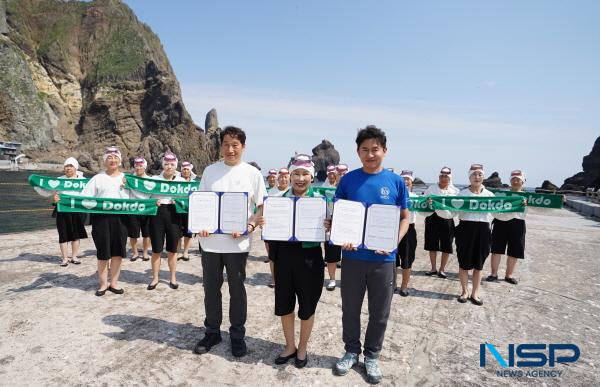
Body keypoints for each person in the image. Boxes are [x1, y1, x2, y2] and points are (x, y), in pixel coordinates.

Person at [330, 126, 409, 384]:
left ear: (384, 151)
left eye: (375, 149)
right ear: (357, 152)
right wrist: (337, 231)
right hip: (353, 258)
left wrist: (393, 241)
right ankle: (351, 351)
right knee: (350, 309)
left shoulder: (395, 182)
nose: (370, 154)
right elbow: (338, 216)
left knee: (380, 312)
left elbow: (405, 219)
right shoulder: (348, 180)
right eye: (365, 150)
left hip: (383, 260)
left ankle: (372, 355)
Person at [193, 126, 267, 358]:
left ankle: (237, 336)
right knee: (211, 290)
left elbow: (262, 206)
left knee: (237, 290)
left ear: (243, 147)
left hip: (238, 244)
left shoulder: (252, 174)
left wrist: (251, 226)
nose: (230, 149)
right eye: (226, 144)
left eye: (235, 145)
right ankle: (212, 332)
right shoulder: (210, 171)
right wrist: (200, 225)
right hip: (210, 244)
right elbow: (201, 203)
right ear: (221, 146)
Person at [258, 154, 324, 368]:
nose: (300, 178)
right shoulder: (278, 201)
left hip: (310, 259)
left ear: (312, 177)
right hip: (284, 257)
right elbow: (269, 233)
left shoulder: (321, 201)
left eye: (305, 174)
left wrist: (331, 224)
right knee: (285, 305)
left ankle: (302, 348)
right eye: (296, 173)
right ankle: (289, 346)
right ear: (289, 175)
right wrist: (265, 224)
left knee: (307, 306)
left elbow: (335, 231)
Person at [81, 146, 129, 296]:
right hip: (101, 220)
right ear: (105, 161)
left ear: (120, 161)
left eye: (115, 158)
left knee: (117, 253)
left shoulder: (127, 179)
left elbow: (140, 196)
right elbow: (84, 197)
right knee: (103, 253)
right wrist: (61, 198)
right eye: (109, 158)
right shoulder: (97, 178)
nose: (113, 160)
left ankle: (113, 283)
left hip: (121, 219)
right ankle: (103, 284)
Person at [34, 157, 88, 267]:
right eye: (66, 166)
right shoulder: (59, 180)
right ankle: (64, 259)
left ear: (75, 168)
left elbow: (90, 194)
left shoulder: (83, 181)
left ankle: (74, 256)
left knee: (76, 235)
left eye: (71, 166)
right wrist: (35, 185)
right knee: (63, 234)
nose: (68, 168)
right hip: (62, 210)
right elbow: (47, 191)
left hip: (77, 210)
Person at [454, 164, 494, 306]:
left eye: (480, 174)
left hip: (483, 230)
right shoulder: (462, 194)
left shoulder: (490, 195)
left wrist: (520, 204)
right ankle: (464, 291)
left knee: (479, 265)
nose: (477, 177)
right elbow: (452, 211)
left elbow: (500, 213)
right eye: (474, 175)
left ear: (483, 177)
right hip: (465, 229)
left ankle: (475, 293)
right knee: (464, 263)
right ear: (469, 177)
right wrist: (436, 203)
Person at [147, 152, 185, 290]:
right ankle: (155, 278)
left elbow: (189, 198)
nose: (169, 167)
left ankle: (173, 277)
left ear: (176, 166)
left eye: (172, 164)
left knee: (172, 250)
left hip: (174, 215)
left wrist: (180, 201)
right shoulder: (154, 180)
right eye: (167, 164)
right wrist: (152, 201)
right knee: (156, 249)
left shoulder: (181, 182)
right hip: (157, 215)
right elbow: (144, 196)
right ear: (163, 165)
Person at [487, 170, 528, 285]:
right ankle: (493, 273)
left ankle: (509, 275)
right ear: (510, 181)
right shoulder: (501, 194)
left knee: (514, 251)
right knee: (496, 249)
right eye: (513, 179)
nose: (515, 181)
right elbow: (493, 208)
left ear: (523, 182)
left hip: (518, 223)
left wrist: (560, 199)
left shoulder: (528, 197)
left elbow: (547, 201)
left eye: (518, 179)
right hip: (500, 222)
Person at [423, 167, 459, 278]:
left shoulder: (456, 192)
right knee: (431, 244)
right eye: (442, 176)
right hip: (432, 218)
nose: (444, 178)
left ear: (450, 178)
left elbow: (457, 208)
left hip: (447, 220)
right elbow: (424, 203)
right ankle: (433, 268)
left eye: (446, 176)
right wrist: (428, 203)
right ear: (439, 177)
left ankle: (442, 269)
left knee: (446, 245)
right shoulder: (431, 189)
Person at [396, 170, 418, 297]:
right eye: (403, 178)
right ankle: (393, 284)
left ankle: (404, 287)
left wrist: (431, 206)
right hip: (394, 228)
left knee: (407, 261)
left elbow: (426, 212)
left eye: (408, 179)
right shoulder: (395, 194)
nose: (405, 181)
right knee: (392, 260)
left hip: (409, 229)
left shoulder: (415, 197)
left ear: (411, 181)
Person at [127, 157, 151, 262]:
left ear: (144, 167)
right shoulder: (129, 179)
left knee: (147, 234)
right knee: (133, 234)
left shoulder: (150, 180)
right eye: (136, 166)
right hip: (133, 209)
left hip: (146, 209)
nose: (138, 168)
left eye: (141, 166)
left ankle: (145, 252)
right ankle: (135, 252)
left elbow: (154, 194)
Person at [178, 161, 197, 261]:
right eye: (184, 169)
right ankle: (178, 251)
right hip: (178, 210)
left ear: (190, 171)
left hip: (190, 211)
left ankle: (186, 252)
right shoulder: (176, 182)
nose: (185, 171)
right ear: (181, 171)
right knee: (178, 233)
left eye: (187, 169)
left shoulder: (194, 184)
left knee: (188, 233)